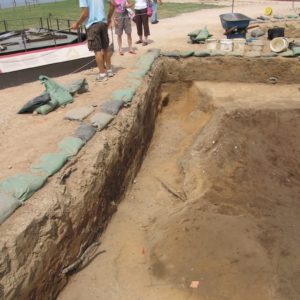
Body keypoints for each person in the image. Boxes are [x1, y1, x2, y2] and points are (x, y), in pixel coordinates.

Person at [71, 0, 115, 82]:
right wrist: (108, 18)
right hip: (103, 23)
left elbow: (85, 14)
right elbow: (113, 4)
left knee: (97, 50)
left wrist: (77, 24)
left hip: (92, 25)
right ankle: (109, 71)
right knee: (106, 48)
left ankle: (102, 74)